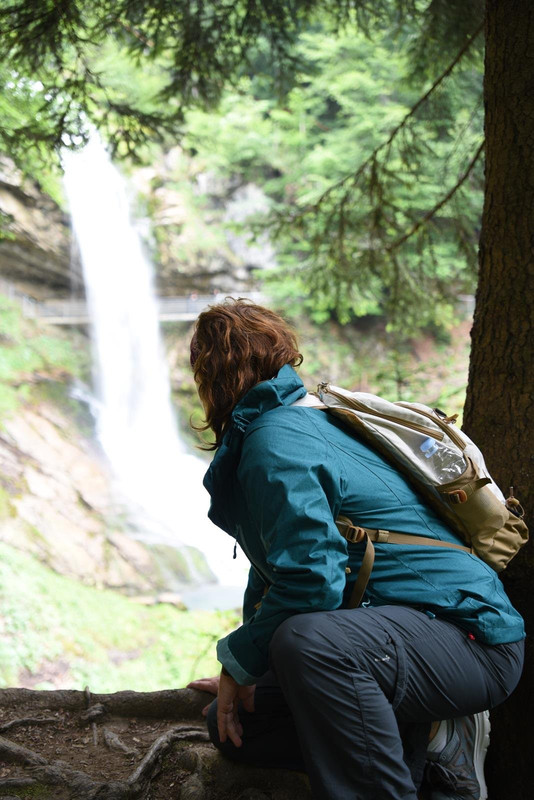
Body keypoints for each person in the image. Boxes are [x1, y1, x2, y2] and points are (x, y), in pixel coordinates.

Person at [187, 298, 524, 800]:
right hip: (392, 639)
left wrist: (241, 660)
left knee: (309, 642)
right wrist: (249, 666)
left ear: (210, 378)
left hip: (468, 640)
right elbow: (276, 570)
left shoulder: (277, 440)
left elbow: (311, 581)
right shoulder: (301, 424)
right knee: (234, 725)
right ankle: (430, 742)